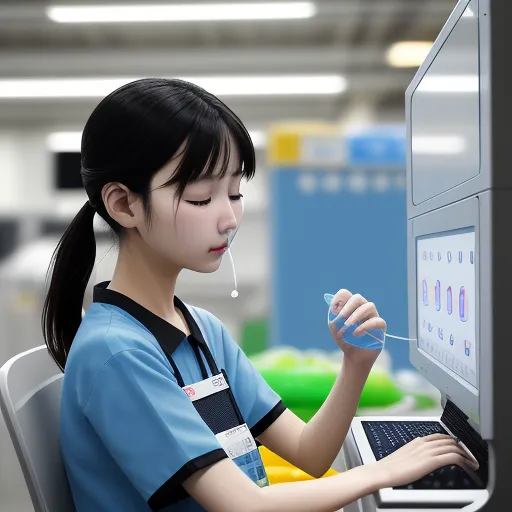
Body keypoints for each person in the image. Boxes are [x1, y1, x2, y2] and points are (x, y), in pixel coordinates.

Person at [41, 78, 478, 512]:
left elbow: (310, 453)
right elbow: (246, 506)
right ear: (123, 204)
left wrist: (355, 363)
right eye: (201, 198)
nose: (229, 218)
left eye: (235, 193)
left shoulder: (201, 329)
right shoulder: (118, 353)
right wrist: (381, 472)